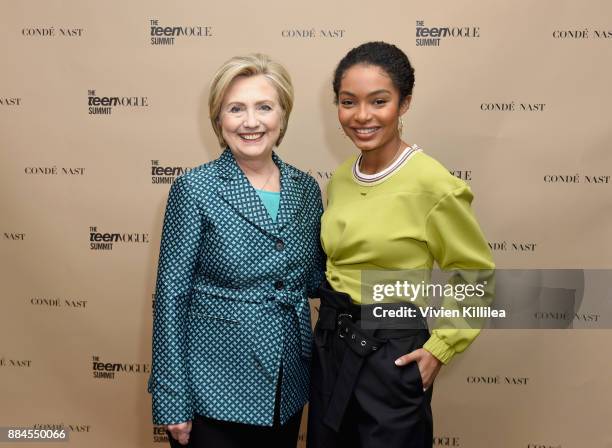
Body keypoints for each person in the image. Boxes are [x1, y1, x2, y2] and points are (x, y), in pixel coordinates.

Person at [307, 42, 495, 448]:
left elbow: (477, 278)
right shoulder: (340, 178)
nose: (361, 116)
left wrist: (441, 348)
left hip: (390, 351)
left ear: (404, 103)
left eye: (379, 101)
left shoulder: (434, 185)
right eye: (347, 101)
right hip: (331, 346)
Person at [147, 53, 325, 448]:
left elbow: (319, 280)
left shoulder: (306, 189)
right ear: (219, 120)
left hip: (287, 386)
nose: (251, 122)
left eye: (264, 107)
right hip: (213, 389)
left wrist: (399, 290)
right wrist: (172, 397)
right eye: (236, 109)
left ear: (282, 116)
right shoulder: (194, 189)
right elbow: (171, 298)